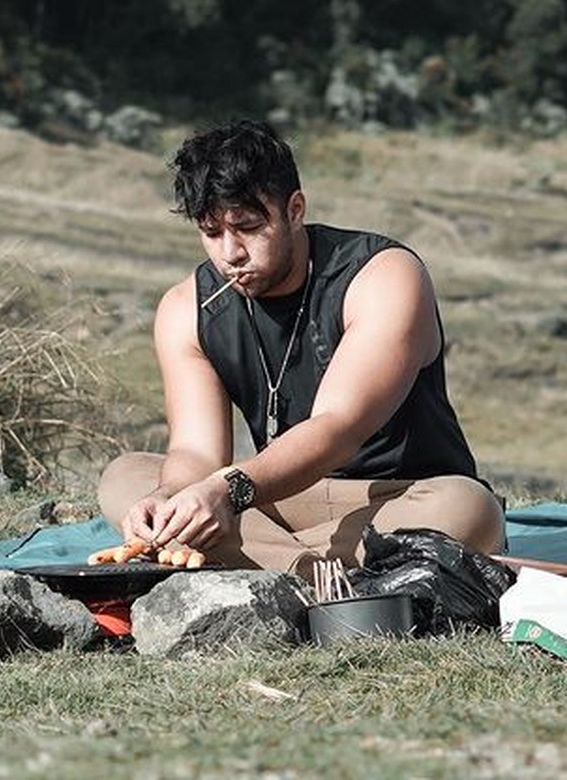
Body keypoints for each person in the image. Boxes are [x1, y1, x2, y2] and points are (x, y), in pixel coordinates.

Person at [97, 118, 504, 580]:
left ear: (294, 209)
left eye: (248, 227)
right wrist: (168, 499)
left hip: (398, 496)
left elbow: (338, 428)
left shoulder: (382, 276)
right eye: (211, 232)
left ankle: (259, 564)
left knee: (469, 509)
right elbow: (195, 452)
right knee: (125, 479)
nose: (230, 253)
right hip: (276, 496)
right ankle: (317, 570)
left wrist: (226, 493)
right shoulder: (185, 308)